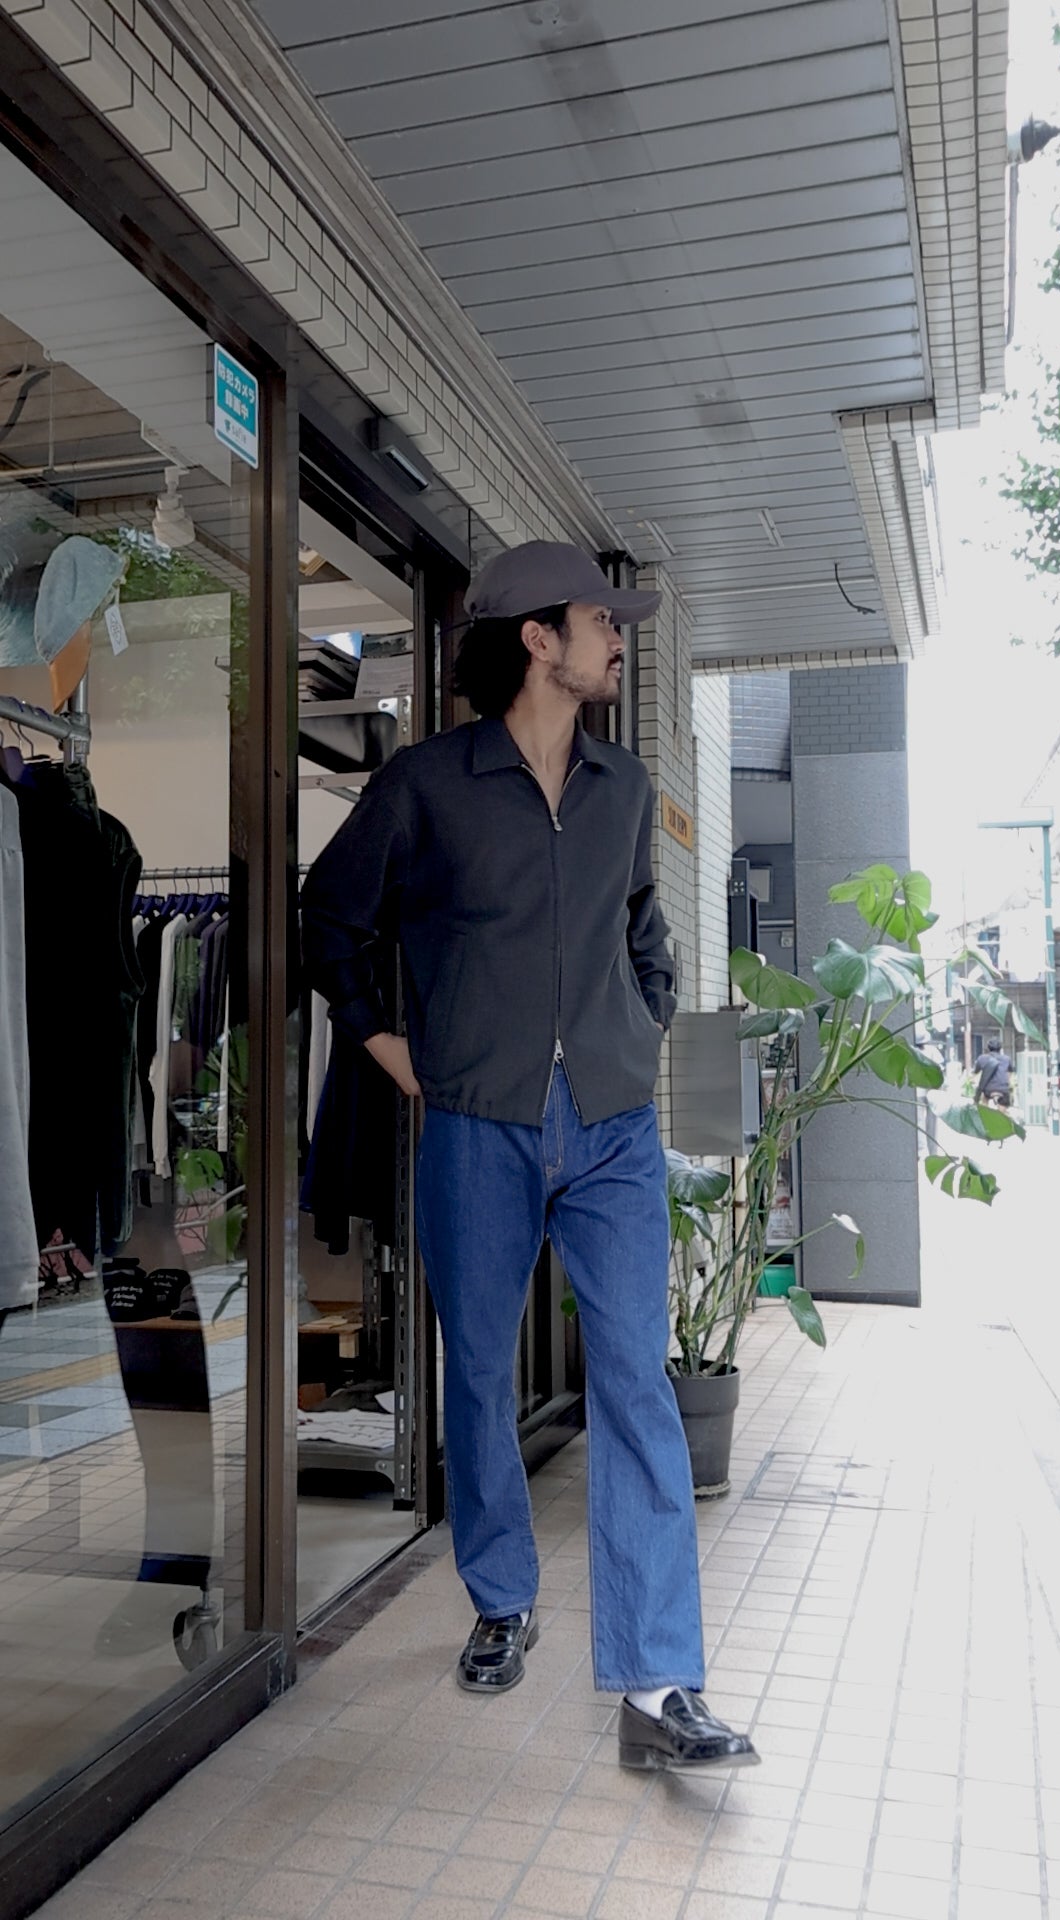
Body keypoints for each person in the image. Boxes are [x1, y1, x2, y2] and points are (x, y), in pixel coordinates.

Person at [302, 542, 759, 1775]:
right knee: (478, 1372)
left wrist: (642, 1024)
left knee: (636, 1382)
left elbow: (643, 928)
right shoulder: (426, 786)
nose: (620, 636)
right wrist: (391, 1045)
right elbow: (329, 916)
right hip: (477, 1123)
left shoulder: (624, 785)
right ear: (537, 640)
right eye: (601, 620)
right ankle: (502, 1598)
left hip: (611, 1126)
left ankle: (659, 1684)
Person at [973, 1035, 1013, 1108]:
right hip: (1003, 1089)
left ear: (988, 1048)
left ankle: (985, 1111)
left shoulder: (982, 1058)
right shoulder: (1007, 1059)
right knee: (1004, 1110)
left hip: (988, 1090)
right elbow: (1009, 1073)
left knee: (984, 1100)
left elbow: (975, 1072)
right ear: (1000, 1048)